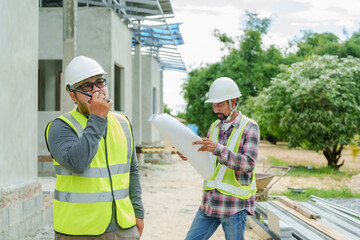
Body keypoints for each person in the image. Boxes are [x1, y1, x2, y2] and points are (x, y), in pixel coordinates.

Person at [45, 56, 144, 239]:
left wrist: (138, 213)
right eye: (87, 86)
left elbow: (132, 172)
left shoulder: (123, 123)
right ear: (73, 95)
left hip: (124, 227)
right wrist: (97, 118)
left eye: (99, 82)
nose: (97, 90)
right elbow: (77, 163)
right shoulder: (60, 127)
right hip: (79, 231)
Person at [177, 77, 260, 240]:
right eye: (214, 105)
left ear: (233, 102)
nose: (216, 110)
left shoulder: (250, 127)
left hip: (234, 205)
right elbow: (208, 157)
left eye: (220, 105)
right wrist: (189, 154)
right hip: (210, 201)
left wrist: (218, 149)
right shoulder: (214, 126)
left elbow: (249, 163)